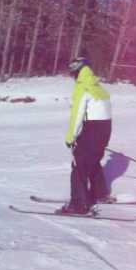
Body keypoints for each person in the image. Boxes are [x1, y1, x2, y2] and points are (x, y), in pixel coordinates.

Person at [56, 57, 112, 215]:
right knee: (93, 161)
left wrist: (71, 137)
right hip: (105, 130)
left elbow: (77, 115)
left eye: (73, 73)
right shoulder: (98, 87)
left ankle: (78, 205)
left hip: (92, 130)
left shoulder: (83, 88)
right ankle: (100, 193)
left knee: (79, 165)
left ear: (77, 72)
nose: (73, 77)